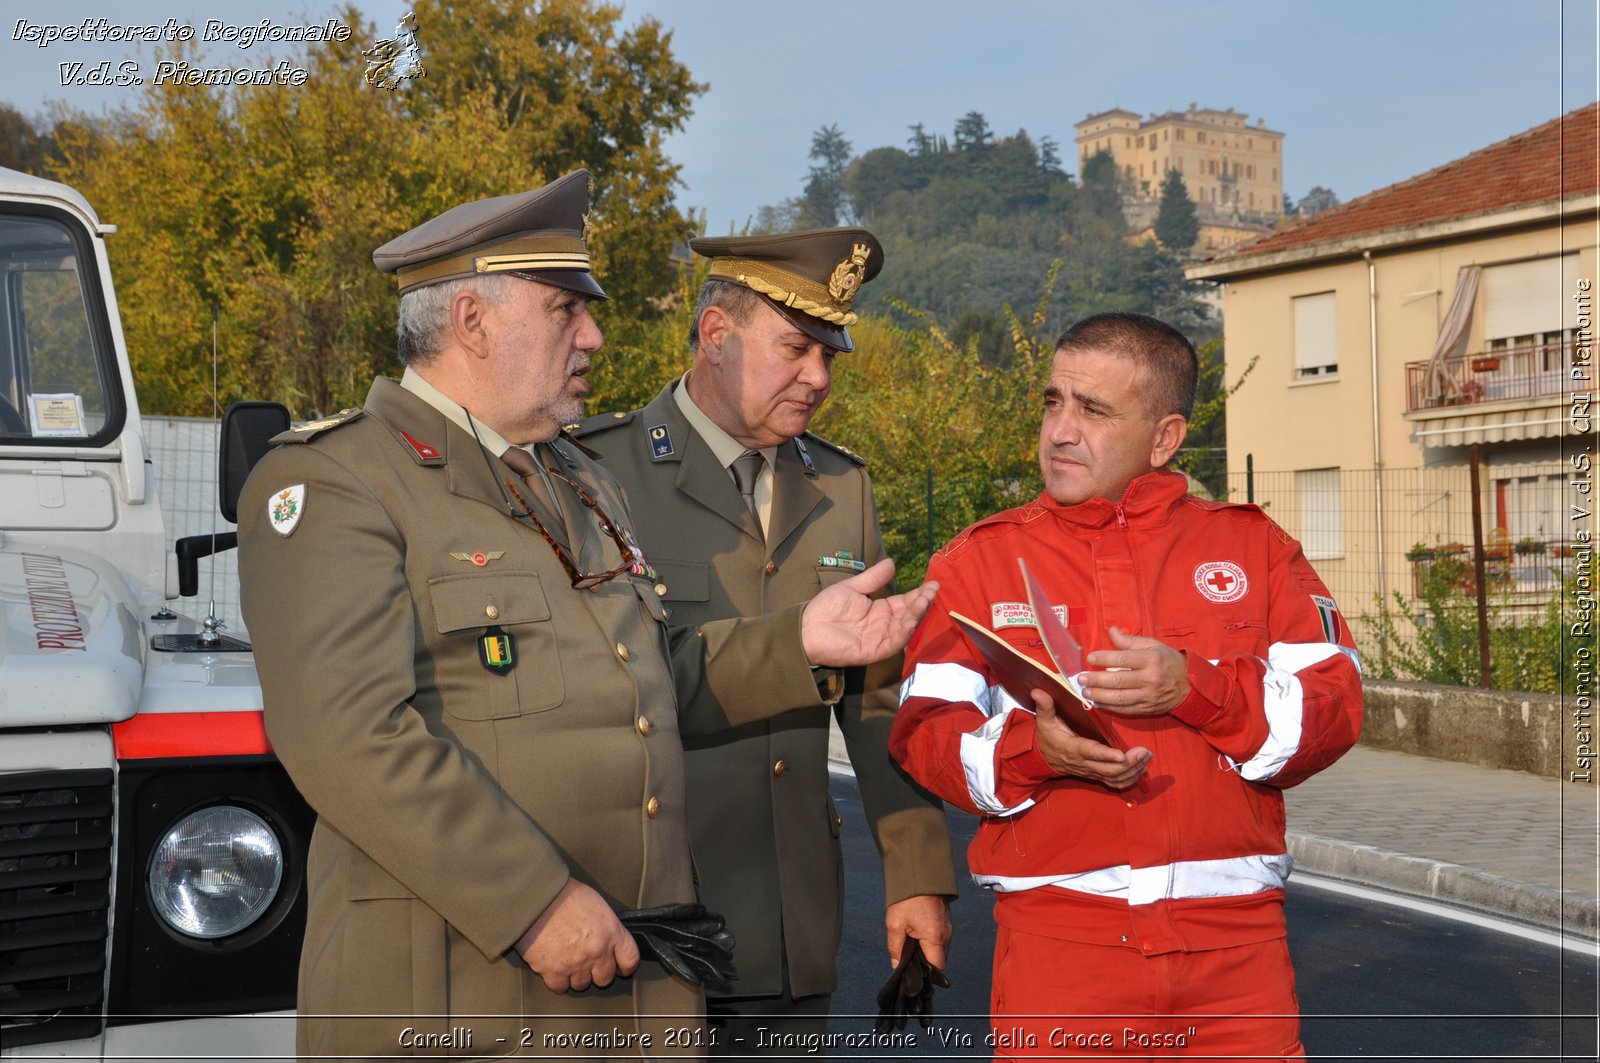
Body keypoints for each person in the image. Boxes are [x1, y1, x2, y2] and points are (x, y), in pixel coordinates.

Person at [236, 171, 939, 1061]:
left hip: (623, 991)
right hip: (460, 999)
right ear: (472, 321)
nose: (596, 335)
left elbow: (648, 679)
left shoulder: (573, 478)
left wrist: (798, 640)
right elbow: (349, 737)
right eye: (567, 309)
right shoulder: (334, 480)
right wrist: (532, 899)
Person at [889, 312, 1363, 1061]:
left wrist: (1197, 688)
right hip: (1059, 957)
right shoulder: (977, 562)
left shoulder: (1256, 547)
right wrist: (1032, 751)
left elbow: (1333, 711)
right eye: (1053, 402)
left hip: (1238, 965)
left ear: (1166, 436)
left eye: (1094, 410)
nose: (1060, 431)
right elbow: (922, 734)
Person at [575, 228, 957, 1051]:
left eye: (832, 355)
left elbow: (876, 701)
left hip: (791, 920)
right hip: (647, 914)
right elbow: (596, 692)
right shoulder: (596, 476)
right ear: (717, 335)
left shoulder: (840, 484)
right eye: (796, 348)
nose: (819, 378)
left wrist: (916, 874)